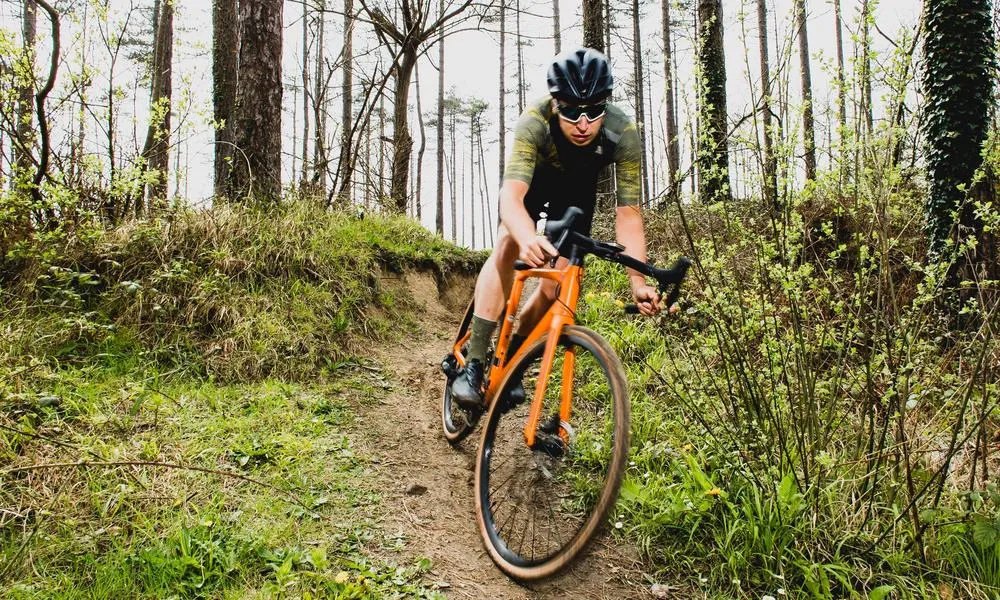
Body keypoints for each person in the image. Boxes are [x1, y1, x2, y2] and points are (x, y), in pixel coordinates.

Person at [451, 46, 666, 410]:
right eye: (570, 111)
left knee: (557, 286)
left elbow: (628, 214)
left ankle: (515, 356)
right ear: (555, 103)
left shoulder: (622, 132)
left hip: (576, 192)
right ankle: (473, 361)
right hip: (534, 183)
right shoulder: (534, 121)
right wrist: (525, 235)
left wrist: (638, 282)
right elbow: (511, 197)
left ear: (606, 106)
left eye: (594, 111)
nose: (583, 124)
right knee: (507, 243)